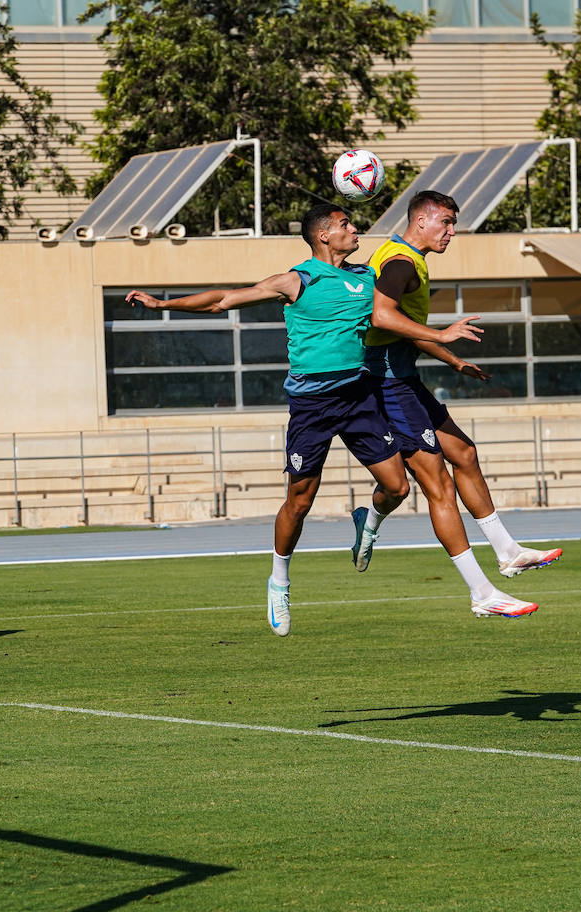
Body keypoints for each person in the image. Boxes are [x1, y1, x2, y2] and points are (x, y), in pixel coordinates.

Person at [128, 203, 538, 636]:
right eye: (345, 224)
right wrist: (163, 303)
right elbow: (224, 299)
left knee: (399, 487)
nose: (355, 229)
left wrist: (450, 356)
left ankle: (371, 524)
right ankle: (279, 581)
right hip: (312, 408)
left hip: (358, 399)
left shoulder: (365, 278)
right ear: (324, 235)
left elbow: (395, 323)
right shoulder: (297, 280)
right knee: (300, 501)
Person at [362, 190, 562, 586]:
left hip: (403, 379)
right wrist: (442, 334)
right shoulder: (401, 262)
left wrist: (453, 360)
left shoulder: (402, 255)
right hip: (385, 384)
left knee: (464, 454)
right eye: (446, 222)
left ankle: (508, 552)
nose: (451, 232)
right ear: (421, 220)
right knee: (432, 484)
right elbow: (381, 317)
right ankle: (480, 590)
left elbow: (402, 328)